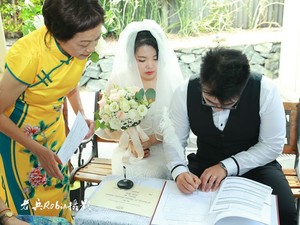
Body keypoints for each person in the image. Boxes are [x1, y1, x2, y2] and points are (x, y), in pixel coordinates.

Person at [163, 47, 298, 225]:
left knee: (286, 212)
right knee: (175, 209)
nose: (217, 109)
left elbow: (272, 145)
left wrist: (227, 166)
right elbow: (173, 141)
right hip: (205, 164)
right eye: (209, 102)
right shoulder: (183, 92)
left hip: (257, 166)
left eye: (228, 104)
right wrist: (179, 172)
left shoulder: (265, 90)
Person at [0, 0, 105, 223]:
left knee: (57, 191)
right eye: (85, 43)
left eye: (96, 39)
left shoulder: (77, 48)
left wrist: (81, 115)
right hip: (20, 139)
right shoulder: (29, 56)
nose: (92, 48)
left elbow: (69, 83)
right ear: (59, 34)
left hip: (53, 131)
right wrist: (38, 149)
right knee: (30, 201)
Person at [96, 20, 183, 179]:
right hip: (130, 151)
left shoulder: (172, 80)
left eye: (155, 58)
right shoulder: (119, 79)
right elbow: (108, 121)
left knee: (156, 172)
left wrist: (152, 140)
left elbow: (180, 122)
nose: (150, 65)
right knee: (129, 170)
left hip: (164, 148)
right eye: (142, 60)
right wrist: (131, 142)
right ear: (131, 58)